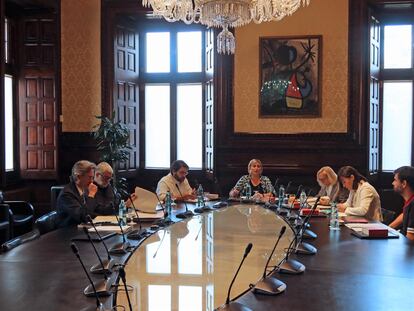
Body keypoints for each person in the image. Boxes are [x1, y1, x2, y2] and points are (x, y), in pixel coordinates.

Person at [56, 160, 99, 227]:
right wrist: (91, 195)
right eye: (89, 177)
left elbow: (95, 209)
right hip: (68, 232)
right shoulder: (67, 194)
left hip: (82, 228)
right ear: (79, 177)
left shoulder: (85, 189)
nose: (92, 181)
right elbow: (82, 216)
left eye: (92, 177)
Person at [389, 166, 414, 240]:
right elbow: (405, 214)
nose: (393, 183)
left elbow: (411, 239)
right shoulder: (410, 200)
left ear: (404, 183)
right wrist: (388, 228)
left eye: (395, 180)